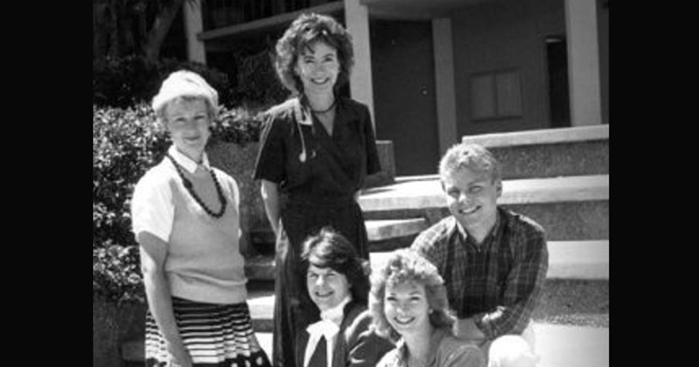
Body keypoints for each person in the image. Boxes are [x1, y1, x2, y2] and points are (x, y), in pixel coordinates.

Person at [252, 12, 381, 367]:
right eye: (308, 59)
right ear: (294, 67)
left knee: (353, 317)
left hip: (346, 227)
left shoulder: (358, 115)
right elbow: (268, 190)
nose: (319, 69)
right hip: (298, 233)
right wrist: (289, 238)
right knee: (302, 319)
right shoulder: (279, 119)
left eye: (328, 58)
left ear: (341, 65)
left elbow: (356, 185)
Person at [131, 70, 271, 367]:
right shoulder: (157, 184)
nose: (191, 127)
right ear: (165, 124)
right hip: (187, 326)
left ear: (211, 120)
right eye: (179, 119)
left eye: (199, 116)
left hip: (234, 321)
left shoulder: (226, 183)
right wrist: (174, 350)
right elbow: (151, 270)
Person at [410, 142, 547, 366]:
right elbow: (413, 310)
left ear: (498, 188)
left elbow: (513, 319)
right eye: (454, 191)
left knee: (514, 355)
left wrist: (454, 326)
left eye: (475, 188)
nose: (464, 199)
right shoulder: (429, 245)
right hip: (448, 338)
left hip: (503, 336)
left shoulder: (528, 236)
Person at [370, 249, 486, 367]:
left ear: (430, 304)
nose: (402, 309)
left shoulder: (462, 355)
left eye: (413, 298)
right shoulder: (388, 363)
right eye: (392, 299)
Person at [297, 227, 394, 367]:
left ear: (349, 279)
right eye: (313, 275)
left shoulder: (366, 325)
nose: (319, 283)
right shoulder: (309, 333)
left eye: (330, 275)